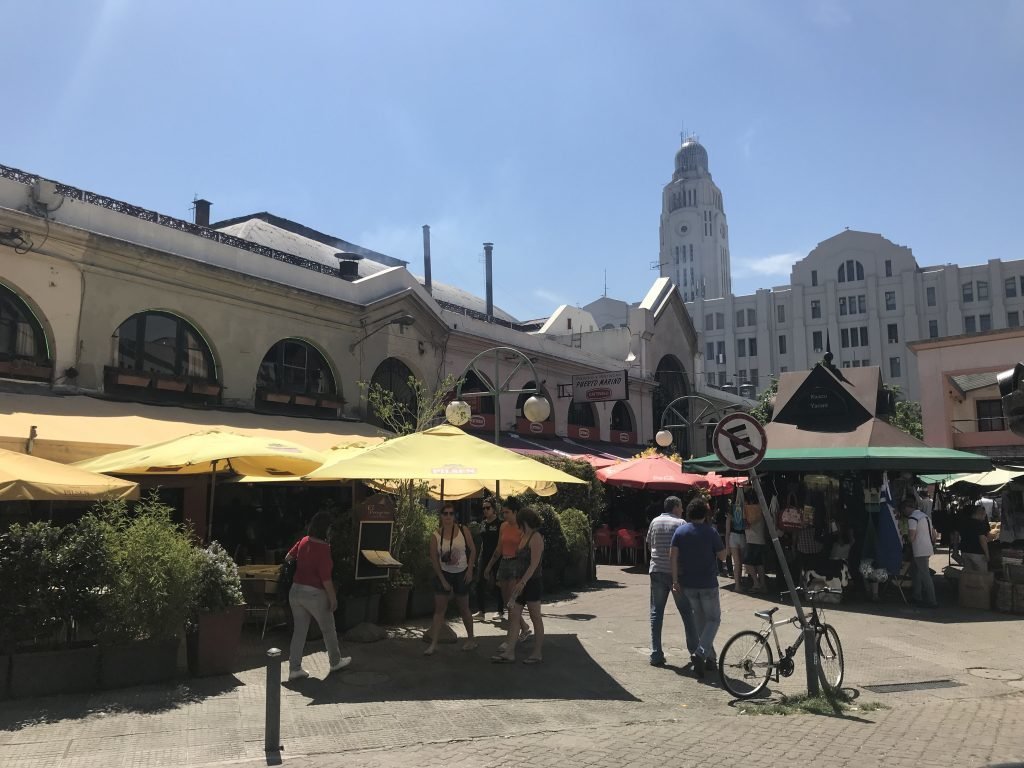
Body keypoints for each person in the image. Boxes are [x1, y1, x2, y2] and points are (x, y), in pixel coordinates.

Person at [284, 510, 351, 681]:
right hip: (314, 593)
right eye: (330, 528)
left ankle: (294, 668)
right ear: (325, 529)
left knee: (299, 631)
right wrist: (333, 598)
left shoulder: (303, 541)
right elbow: (326, 578)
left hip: (295, 591)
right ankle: (335, 661)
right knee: (328, 629)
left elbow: (288, 557)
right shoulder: (324, 548)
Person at [671, 497, 726, 678]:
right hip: (708, 583)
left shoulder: (680, 531)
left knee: (701, 622)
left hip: (688, 583)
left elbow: (673, 557)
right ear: (705, 514)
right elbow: (723, 556)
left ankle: (710, 659)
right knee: (714, 619)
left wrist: (675, 580)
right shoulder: (711, 532)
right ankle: (701, 652)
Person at [646, 496, 698, 666]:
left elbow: (649, 544)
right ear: (675, 507)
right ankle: (694, 650)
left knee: (656, 612)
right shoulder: (681, 524)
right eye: (681, 506)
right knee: (686, 612)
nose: (682, 510)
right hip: (676, 573)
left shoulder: (654, 522)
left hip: (656, 570)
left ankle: (656, 653)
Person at [491, 506, 545, 664]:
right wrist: (517, 581)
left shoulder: (536, 537)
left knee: (536, 617)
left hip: (532, 582)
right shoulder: (523, 536)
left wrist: (522, 582)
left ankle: (537, 653)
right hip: (520, 582)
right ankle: (509, 652)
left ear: (524, 521)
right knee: (514, 614)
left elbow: (534, 564)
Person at [424, 502, 478, 655]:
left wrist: (470, 570)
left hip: (462, 572)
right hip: (444, 572)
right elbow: (434, 559)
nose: (448, 517)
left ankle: (471, 639)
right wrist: (442, 579)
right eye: (445, 514)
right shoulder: (436, 535)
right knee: (439, 610)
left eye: (451, 514)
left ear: (455, 516)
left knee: (464, 608)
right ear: (441, 516)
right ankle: (433, 644)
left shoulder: (463, 530)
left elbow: (473, 550)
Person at [483, 497, 531, 644]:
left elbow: (527, 550)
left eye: (507, 512)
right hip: (504, 563)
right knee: (507, 603)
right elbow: (499, 548)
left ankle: (511, 639)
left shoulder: (522, 527)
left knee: (512, 603)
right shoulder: (503, 526)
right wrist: (489, 566)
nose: (504, 515)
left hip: (516, 565)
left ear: (515, 512)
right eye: (503, 512)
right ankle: (524, 627)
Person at [903, 498, 938, 608]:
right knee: (915, 571)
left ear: (907, 508)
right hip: (927, 548)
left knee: (924, 575)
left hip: (919, 549)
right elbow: (934, 535)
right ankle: (916, 595)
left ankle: (932, 601)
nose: (904, 513)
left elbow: (911, 537)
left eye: (904, 510)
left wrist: (905, 538)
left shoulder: (912, 518)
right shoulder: (925, 516)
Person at [473, 498, 504, 620]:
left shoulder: (500, 524)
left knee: (498, 583)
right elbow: (482, 542)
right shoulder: (483, 523)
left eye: (487, 508)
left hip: (497, 556)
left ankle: (500, 610)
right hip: (484, 556)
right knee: (479, 582)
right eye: (483, 508)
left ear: (494, 509)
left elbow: (500, 544)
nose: (485, 510)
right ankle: (481, 611)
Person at [743, 497, 768, 593]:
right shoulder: (762, 508)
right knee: (759, 563)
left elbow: (745, 524)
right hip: (761, 539)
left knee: (747, 562)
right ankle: (763, 585)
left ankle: (756, 583)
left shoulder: (749, 509)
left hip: (752, 539)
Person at [724, 492, 746, 592]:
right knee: (740, 562)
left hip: (733, 537)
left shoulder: (730, 514)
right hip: (742, 536)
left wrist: (727, 546)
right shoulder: (744, 510)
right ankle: (739, 582)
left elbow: (727, 531)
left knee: (737, 563)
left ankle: (737, 585)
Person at [961, 504, 992, 572]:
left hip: (964, 552)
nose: (984, 518)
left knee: (969, 575)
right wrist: (987, 554)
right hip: (977, 553)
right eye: (984, 515)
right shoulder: (979, 524)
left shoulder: (964, 522)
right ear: (981, 514)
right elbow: (982, 540)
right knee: (982, 576)